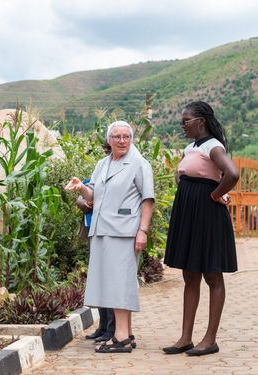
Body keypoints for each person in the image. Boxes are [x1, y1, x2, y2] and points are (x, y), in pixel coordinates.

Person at [65, 120, 155, 354]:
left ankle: (122, 337)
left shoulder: (138, 164)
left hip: (125, 231)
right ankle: (125, 335)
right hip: (103, 230)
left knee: (121, 284)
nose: (122, 140)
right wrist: (80, 188)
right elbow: (93, 194)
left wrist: (142, 231)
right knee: (113, 284)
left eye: (126, 136)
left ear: (131, 139)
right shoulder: (102, 164)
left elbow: (147, 199)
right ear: (109, 140)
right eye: (117, 136)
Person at [162, 101, 239, 356]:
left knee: (212, 275)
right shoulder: (190, 147)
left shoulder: (213, 146)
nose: (182, 125)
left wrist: (216, 195)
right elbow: (182, 174)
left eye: (186, 120)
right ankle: (185, 338)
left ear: (201, 121)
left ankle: (210, 339)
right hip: (190, 213)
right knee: (190, 274)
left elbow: (232, 174)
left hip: (207, 214)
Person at [78, 144, 116, 344]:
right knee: (100, 279)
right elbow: (86, 190)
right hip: (97, 229)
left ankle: (113, 328)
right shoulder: (101, 167)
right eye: (109, 149)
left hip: (114, 230)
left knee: (111, 281)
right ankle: (102, 326)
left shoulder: (127, 170)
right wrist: (82, 201)